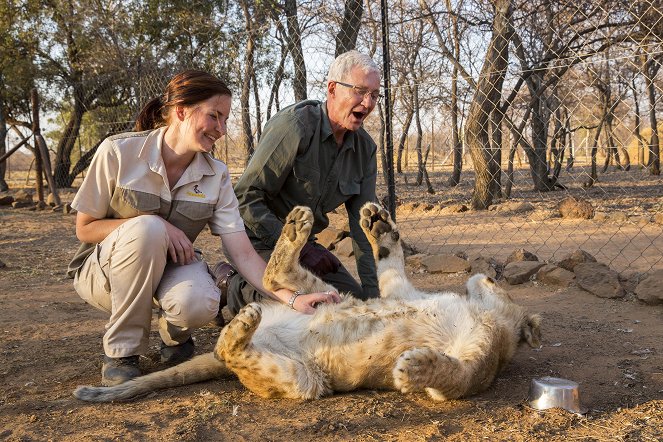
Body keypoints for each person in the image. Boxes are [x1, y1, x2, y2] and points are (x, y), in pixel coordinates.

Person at [67, 70, 340, 387]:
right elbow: (85, 229)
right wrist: (153, 223)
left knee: (202, 300)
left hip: (169, 271)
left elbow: (243, 255)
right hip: (104, 275)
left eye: (225, 120)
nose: (221, 130)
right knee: (147, 230)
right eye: (214, 116)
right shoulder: (118, 152)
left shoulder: (216, 174)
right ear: (181, 110)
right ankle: (122, 353)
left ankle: (175, 337)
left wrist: (292, 299)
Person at [218, 50, 382, 316]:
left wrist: (376, 302)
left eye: (375, 95)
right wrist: (298, 248)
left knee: (352, 307)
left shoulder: (365, 150)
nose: (368, 102)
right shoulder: (295, 126)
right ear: (332, 89)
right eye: (360, 91)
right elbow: (245, 196)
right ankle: (231, 285)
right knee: (303, 309)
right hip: (257, 240)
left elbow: (364, 229)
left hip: (305, 246)